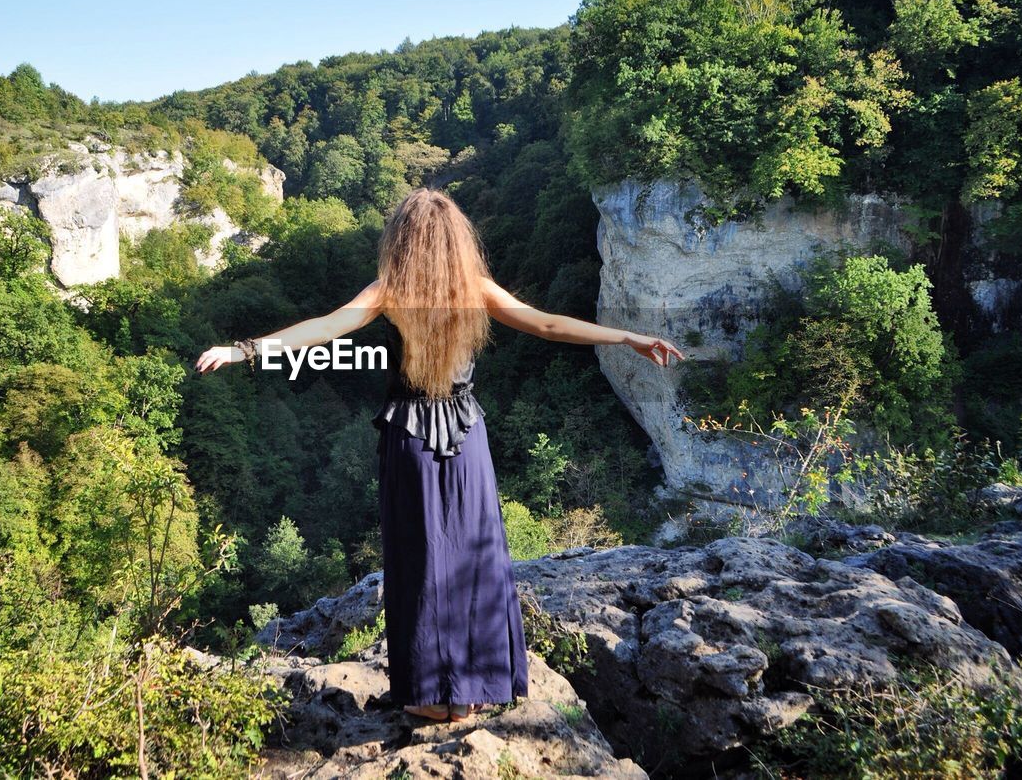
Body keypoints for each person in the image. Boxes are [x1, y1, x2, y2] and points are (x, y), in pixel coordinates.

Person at [196, 187, 683, 723]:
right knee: (476, 558)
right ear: (458, 242)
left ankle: (429, 695)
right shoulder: (473, 287)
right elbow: (546, 323)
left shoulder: (390, 290)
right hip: (466, 433)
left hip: (410, 435)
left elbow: (325, 329)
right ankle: (477, 686)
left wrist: (245, 350)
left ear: (402, 240)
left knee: (420, 560)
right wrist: (628, 337)